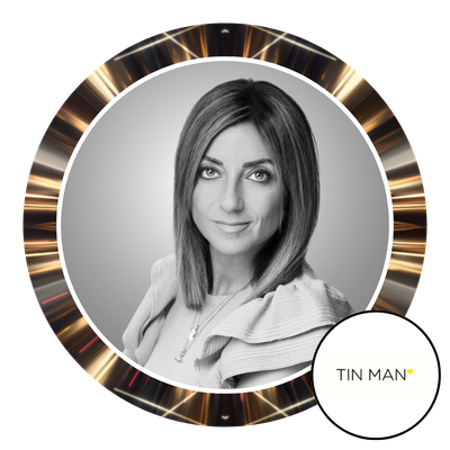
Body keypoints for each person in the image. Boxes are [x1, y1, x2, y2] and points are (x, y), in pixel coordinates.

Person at [122, 78, 354, 390]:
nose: (230, 202)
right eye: (210, 171)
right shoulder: (170, 282)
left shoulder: (298, 319)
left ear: (292, 192)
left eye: (258, 175)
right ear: (187, 183)